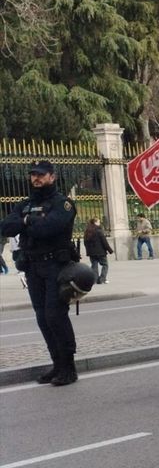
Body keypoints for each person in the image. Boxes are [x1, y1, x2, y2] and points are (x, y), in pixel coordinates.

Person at [1, 160, 80, 385]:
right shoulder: (24, 204)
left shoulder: (63, 203)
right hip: (33, 267)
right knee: (42, 318)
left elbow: (48, 229)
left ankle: (69, 368)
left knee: (55, 316)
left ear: (52, 177)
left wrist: (24, 223)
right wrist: (28, 220)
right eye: (33, 174)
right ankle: (57, 364)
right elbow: (6, 227)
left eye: (41, 174)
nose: (36, 178)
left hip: (56, 267)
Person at [83, 218, 112, 284]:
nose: (100, 223)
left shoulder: (87, 231)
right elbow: (104, 242)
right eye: (98, 222)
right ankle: (102, 279)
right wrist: (110, 250)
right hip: (100, 252)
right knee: (105, 265)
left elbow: (85, 242)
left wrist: (88, 250)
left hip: (91, 253)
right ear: (95, 223)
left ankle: (95, 280)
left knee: (94, 265)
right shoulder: (99, 231)